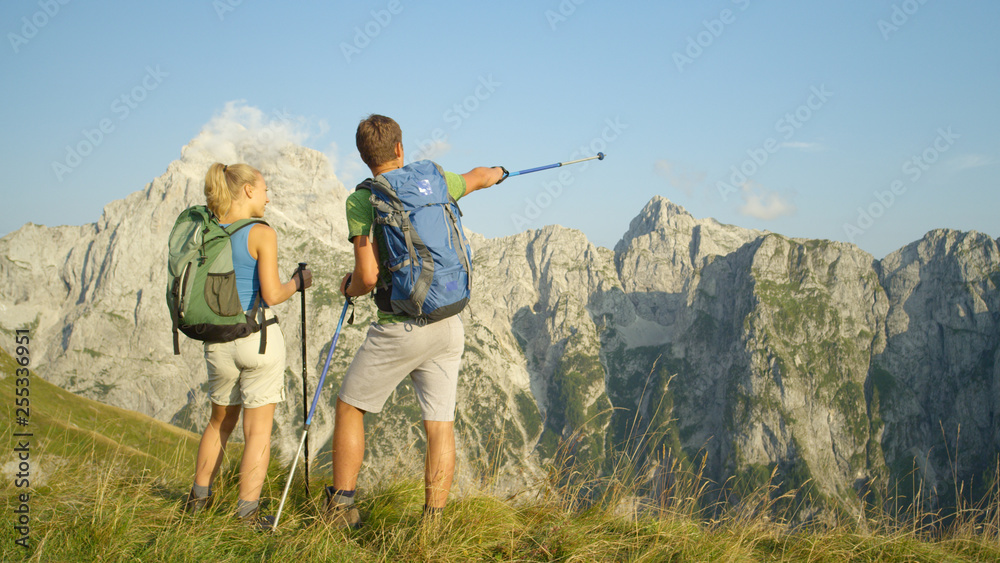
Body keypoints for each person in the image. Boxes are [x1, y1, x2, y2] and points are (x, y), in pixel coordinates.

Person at [323, 114, 505, 527]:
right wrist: (499, 172)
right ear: (400, 149)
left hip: (399, 326)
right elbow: (478, 176)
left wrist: (348, 287)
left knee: (350, 406)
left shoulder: (361, 200)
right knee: (440, 425)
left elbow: (367, 277)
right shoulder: (435, 179)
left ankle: (342, 508)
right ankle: (433, 523)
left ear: (364, 157)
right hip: (449, 322)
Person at [183, 162, 312, 530]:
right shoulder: (260, 233)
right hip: (257, 340)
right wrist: (298, 282)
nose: (269, 197)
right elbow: (271, 293)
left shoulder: (208, 231)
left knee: (218, 423)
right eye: (265, 189)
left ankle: (197, 501)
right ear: (249, 191)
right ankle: (247, 515)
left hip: (217, 342)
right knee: (258, 431)